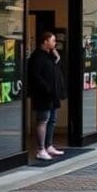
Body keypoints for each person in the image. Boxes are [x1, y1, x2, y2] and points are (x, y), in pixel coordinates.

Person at [28, 32, 65, 160]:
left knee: (52, 120)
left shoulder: (50, 56)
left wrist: (57, 58)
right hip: (43, 95)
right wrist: (47, 88)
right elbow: (35, 76)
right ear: (45, 42)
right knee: (43, 120)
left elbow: (56, 72)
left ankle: (49, 145)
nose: (55, 43)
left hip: (52, 95)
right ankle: (40, 149)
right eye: (53, 40)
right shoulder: (37, 57)